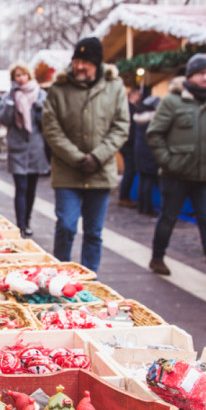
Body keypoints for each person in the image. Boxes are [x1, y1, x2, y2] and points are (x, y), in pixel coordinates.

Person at [146, 53, 206, 291]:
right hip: (176, 173)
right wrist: (168, 161)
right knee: (168, 218)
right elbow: (155, 133)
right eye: (202, 73)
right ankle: (157, 257)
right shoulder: (172, 101)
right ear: (190, 75)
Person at [42, 37, 129, 272]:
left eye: (86, 62)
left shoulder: (114, 87)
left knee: (93, 232)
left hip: (100, 171)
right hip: (67, 171)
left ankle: (90, 278)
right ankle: (58, 274)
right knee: (67, 225)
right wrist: (76, 157)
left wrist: (98, 156)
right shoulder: (59, 88)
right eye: (77, 60)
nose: (79, 66)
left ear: (97, 63)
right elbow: (51, 127)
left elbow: (121, 126)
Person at [0, 62, 49, 238]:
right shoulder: (8, 97)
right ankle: (20, 225)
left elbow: (47, 122)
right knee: (21, 187)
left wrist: (40, 109)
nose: (20, 78)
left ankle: (27, 220)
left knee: (32, 188)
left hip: (35, 147)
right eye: (16, 76)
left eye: (23, 75)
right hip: (17, 148)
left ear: (29, 75)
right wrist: (12, 101)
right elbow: (4, 119)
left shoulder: (41, 95)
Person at [133, 95, 160, 215]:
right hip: (149, 152)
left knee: (143, 180)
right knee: (148, 180)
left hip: (140, 150)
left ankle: (142, 205)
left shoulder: (138, 117)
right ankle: (147, 207)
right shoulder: (152, 119)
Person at [117, 88, 141, 207]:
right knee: (129, 171)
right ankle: (124, 196)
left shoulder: (130, 108)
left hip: (126, 145)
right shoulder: (129, 109)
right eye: (138, 95)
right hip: (128, 146)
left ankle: (124, 196)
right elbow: (129, 130)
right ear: (133, 96)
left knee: (129, 170)